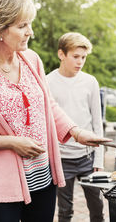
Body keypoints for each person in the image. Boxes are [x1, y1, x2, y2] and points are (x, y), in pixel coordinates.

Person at [0, 0, 111, 222]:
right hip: (0, 185)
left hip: (42, 176)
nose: (30, 32)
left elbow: (48, 105)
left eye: (30, 24)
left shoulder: (32, 60)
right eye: (22, 25)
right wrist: (11, 143)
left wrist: (76, 132)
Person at [47, 32, 105, 222]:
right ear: (61, 54)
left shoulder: (90, 82)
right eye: (75, 56)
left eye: (83, 57)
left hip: (87, 158)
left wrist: (99, 160)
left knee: (97, 208)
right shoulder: (47, 82)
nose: (80, 62)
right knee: (65, 211)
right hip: (62, 159)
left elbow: (97, 122)